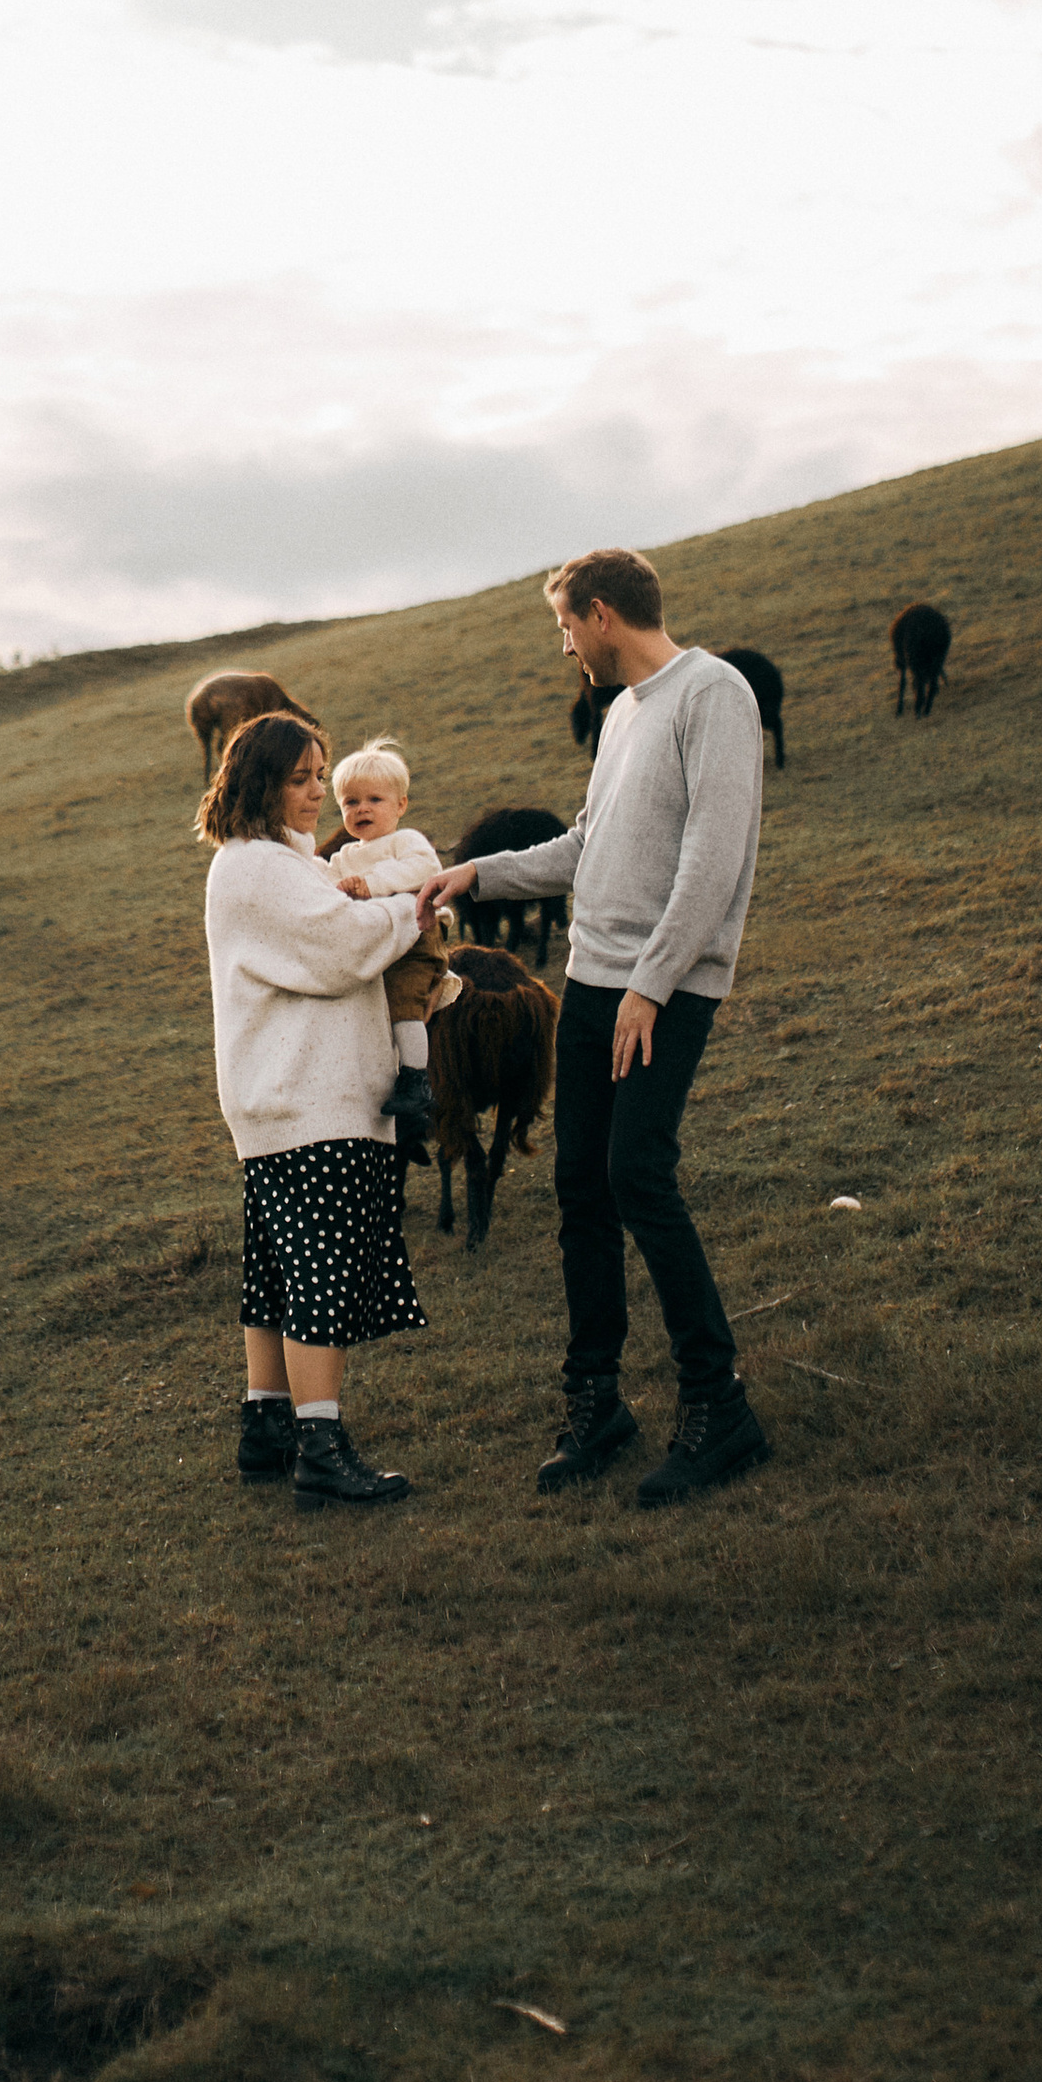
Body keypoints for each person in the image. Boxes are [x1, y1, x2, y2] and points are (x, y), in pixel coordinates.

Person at [421, 547, 768, 1507]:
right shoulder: (620, 716)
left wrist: (652, 985)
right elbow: (589, 844)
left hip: (665, 988)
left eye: (567, 626)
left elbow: (714, 855)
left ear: (603, 613)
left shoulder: (716, 695)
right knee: (582, 1188)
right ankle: (597, 1401)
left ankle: (719, 1404)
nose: (566, 645)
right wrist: (477, 875)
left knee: (638, 1174)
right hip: (590, 981)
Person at [200, 711, 444, 1511]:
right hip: (307, 1100)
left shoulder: (285, 863)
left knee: (277, 1273)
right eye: (302, 778)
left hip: (296, 1098)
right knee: (319, 1275)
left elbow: (342, 931)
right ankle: (321, 1446)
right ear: (261, 781)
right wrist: (417, 909)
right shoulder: (257, 867)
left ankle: (266, 1425)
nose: (318, 793)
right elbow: (340, 949)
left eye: (320, 774)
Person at [321, 734, 455, 1146]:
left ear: (401, 806)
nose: (362, 809)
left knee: (403, 1003)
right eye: (350, 802)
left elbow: (423, 870)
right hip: (377, 943)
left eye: (375, 800)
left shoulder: (406, 842)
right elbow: (326, 884)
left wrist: (373, 885)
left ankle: (417, 1079)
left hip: (418, 936)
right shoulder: (344, 857)